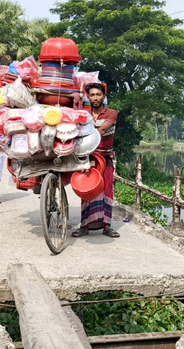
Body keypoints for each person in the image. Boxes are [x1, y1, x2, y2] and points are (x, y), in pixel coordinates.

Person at [73, 83, 120, 238]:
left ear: (104, 97)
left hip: (105, 157)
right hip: (88, 158)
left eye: (98, 95)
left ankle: (107, 226)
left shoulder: (112, 113)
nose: (95, 98)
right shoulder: (83, 113)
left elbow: (102, 130)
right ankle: (84, 226)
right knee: (87, 191)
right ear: (88, 97)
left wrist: (85, 128)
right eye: (92, 95)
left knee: (106, 190)